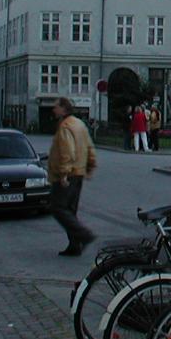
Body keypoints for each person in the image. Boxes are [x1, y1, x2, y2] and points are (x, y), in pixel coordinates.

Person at [48, 97, 97, 256]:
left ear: (63, 109)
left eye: (56, 107)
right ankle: (75, 245)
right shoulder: (79, 124)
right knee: (70, 209)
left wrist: (63, 174)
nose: (53, 110)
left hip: (67, 175)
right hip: (78, 173)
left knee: (58, 208)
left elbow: (67, 152)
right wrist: (90, 167)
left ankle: (83, 235)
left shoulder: (65, 126)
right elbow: (89, 146)